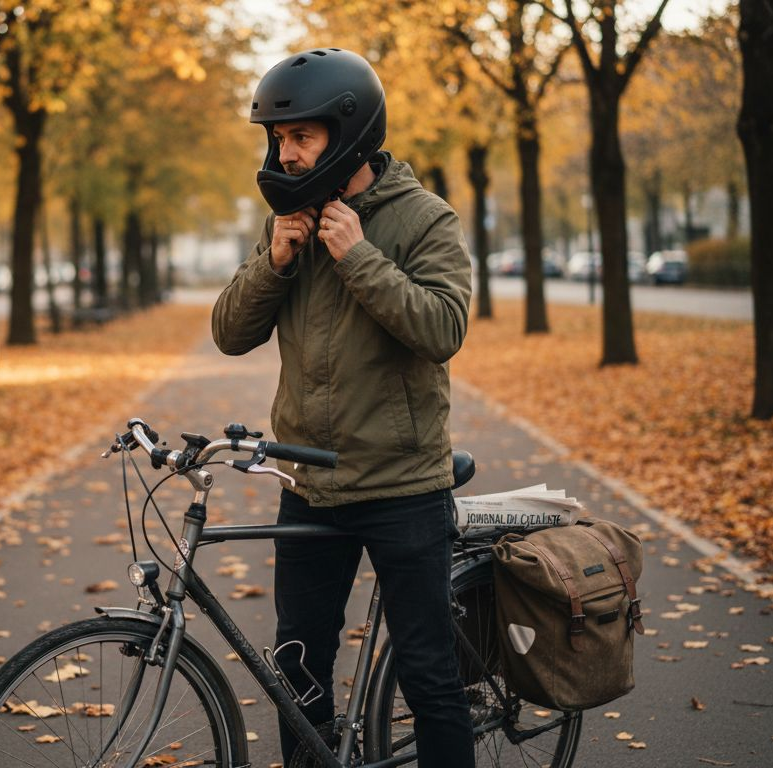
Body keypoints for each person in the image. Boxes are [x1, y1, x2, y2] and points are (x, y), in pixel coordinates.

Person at [211, 48, 475, 768]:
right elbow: (229, 334)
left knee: (430, 679)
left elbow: (443, 329)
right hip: (309, 487)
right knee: (297, 678)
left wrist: (360, 258)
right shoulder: (287, 221)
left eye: (302, 136)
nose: (286, 154)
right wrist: (274, 263)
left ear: (351, 134)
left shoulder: (423, 219)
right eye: (278, 138)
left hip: (402, 488)